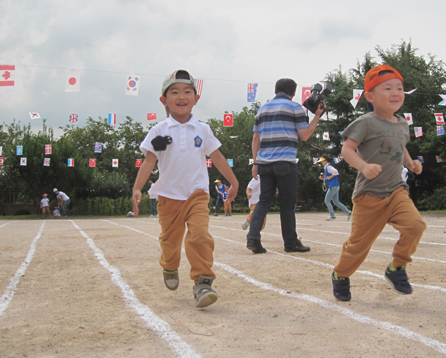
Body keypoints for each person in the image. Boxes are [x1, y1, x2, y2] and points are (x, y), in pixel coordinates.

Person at [132, 69, 239, 309]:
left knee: (200, 236)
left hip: (197, 193)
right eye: (175, 92)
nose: (181, 96)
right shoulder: (159, 130)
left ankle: (203, 282)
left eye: (187, 91)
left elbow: (218, 157)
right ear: (164, 100)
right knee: (170, 242)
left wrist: (234, 181)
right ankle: (169, 265)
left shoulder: (203, 129)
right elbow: (148, 161)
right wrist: (137, 188)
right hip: (169, 195)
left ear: (196, 98)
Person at [331, 65, 427, 302]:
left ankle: (397, 268)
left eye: (400, 88)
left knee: (415, 226)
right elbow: (347, 149)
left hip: (396, 191)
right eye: (388, 88)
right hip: (369, 195)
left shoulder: (403, 123)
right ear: (370, 96)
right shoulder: (365, 122)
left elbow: (401, 145)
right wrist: (363, 166)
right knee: (358, 246)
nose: (396, 93)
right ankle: (340, 275)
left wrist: (411, 163)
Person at [246, 78, 324, 254]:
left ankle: (253, 238)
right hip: (285, 162)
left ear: (275, 90)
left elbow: (255, 138)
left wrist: (255, 162)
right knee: (287, 204)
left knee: (264, 201)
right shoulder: (295, 107)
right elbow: (304, 136)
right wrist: (317, 116)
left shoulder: (262, 109)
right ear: (294, 93)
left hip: (264, 162)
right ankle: (290, 243)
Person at [318, 154, 352, 221]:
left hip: (333, 186)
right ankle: (348, 212)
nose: (322, 162)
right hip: (335, 186)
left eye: (322, 161)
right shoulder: (327, 167)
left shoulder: (328, 167)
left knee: (327, 200)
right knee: (336, 202)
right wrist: (323, 179)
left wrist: (330, 177)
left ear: (325, 161)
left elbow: (336, 172)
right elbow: (328, 177)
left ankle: (332, 215)